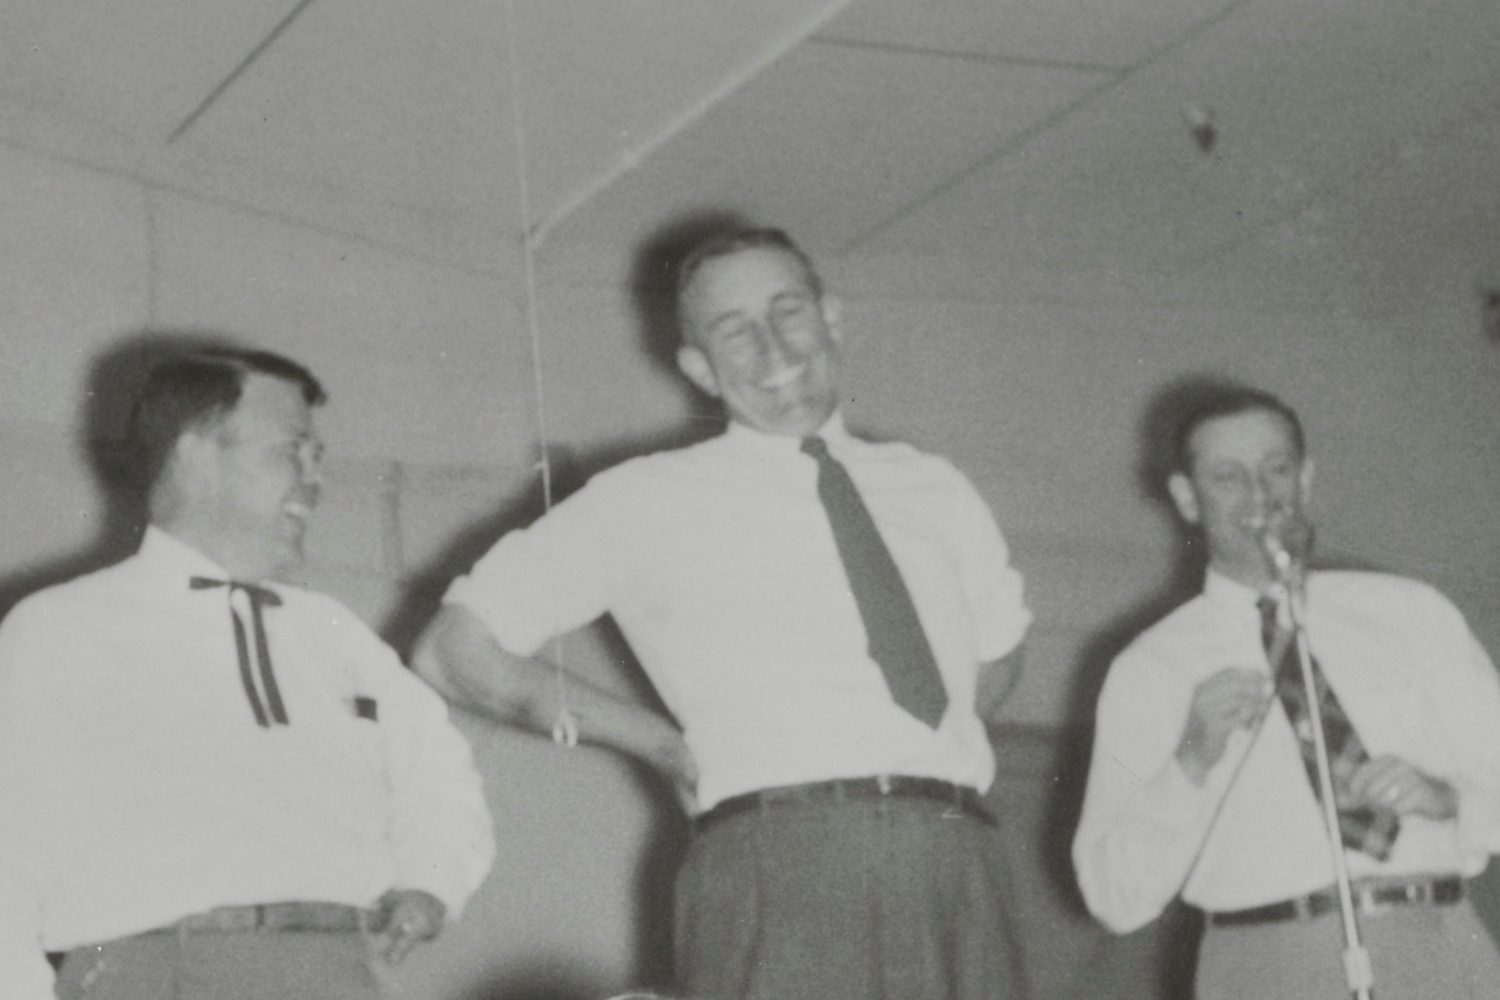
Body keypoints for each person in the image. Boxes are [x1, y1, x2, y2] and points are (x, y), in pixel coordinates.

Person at [414, 227, 1032, 1000]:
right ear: (699, 369)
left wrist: (905, 758)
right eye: (734, 331)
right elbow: (453, 651)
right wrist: (659, 743)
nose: (774, 347)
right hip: (779, 868)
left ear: (832, 318)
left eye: (789, 311)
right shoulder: (644, 496)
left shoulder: (934, 486)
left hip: (955, 863)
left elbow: (997, 658)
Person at [0, 347, 494, 1000]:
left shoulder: (337, 638)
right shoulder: (64, 628)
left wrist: (432, 882)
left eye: (318, 457)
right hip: (153, 973)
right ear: (194, 456)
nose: (315, 479)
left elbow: (438, 773)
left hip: (337, 972)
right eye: (291, 450)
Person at [1071, 384, 1500, 998]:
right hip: (1265, 962)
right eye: (1228, 477)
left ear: (1307, 478)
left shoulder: (1413, 613)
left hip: (1436, 946)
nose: (1261, 496)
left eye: (1277, 469)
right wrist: (1190, 759)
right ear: (1186, 498)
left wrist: (1450, 798)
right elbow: (1115, 896)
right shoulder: (1151, 668)